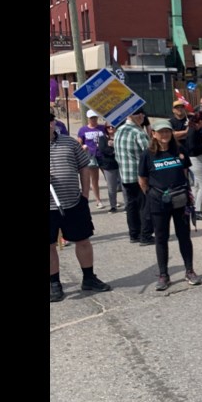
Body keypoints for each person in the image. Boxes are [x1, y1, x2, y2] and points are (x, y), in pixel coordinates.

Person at [50, 111, 111, 302]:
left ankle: (89, 278)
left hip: (74, 203)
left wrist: (85, 194)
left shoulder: (69, 142)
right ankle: (54, 284)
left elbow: (84, 166)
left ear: (53, 122)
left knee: (83, 241)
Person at [138, 119, 200, 290]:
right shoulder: (147, 154)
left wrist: (186, 193)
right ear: (154, 134)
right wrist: (152, 195)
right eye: (161, 132)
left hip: (180, 200)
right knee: (161, 238)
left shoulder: (179, 150)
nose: (164, 134)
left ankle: (189, 271)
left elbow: (185, 172)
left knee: (184, 237)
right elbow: (142, 180)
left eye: (167, 131)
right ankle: (164, 275)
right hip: (158, 202)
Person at [114, 107, 155, 245]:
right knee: (145, 206)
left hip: (125, 175)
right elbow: (149, 154)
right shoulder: (138, 133)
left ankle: (134, 234)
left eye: (143, 114)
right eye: (140, 114)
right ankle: (146, 235)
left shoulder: (119, 131)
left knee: (131, 206)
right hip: (140, 176)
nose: (143, 116)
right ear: (133, 115)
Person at [184, 111, 202, 221]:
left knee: (196, 185)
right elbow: (192, 148)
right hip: (196, 160)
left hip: (198, 160)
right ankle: (198, 211)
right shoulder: (192, 131)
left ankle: (195, 208)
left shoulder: (196, 129)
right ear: (200, 121)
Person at [77, 109, 105, 208]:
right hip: (91, 157)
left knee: (110, 179)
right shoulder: (83, 130)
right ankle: (98, 200)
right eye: (92, 118)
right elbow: (79, 143)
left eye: (95, 117)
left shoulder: (102, 128)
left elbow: (110, 134)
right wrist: (83, 147)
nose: (94, 119)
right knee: (95, 179)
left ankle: (113, 198)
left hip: (103, 156)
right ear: (88, 118)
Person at [94, 122, 123, 213]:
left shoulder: (120, 137)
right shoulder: (102, 138)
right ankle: (113, 206)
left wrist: (114, 145)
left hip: (121, 165)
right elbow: (103, 150)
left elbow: (123, 148)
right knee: (111, 187)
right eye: (108, 127)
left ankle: (128, 205)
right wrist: (114, 151)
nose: (110, 128)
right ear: (105, 128)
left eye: (112, 126)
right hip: (109, 165)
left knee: (124, 186)